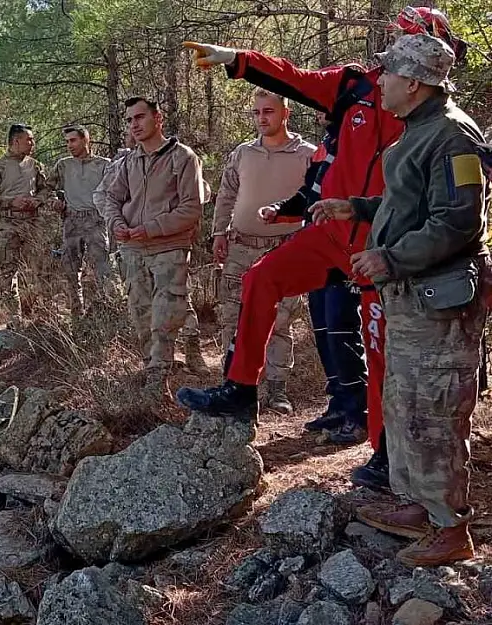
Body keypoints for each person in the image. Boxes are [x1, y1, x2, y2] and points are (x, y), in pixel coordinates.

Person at [176, 6, 466, 491]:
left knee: (381, 355)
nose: (392, 51)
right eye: (394, 41)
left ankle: (385, 454)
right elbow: (297, 79)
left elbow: (451, 195)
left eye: (406, 40)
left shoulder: (431, 112)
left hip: (385, 245)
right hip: (335, 232)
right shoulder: (356, 83)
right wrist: (238, 59)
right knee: (259, 280)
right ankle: (241, 388)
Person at [312, 33, 486, 567]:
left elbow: (457, 222)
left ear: (413, 83)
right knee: (406, 402)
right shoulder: (420, 131)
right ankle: (419, 504)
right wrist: (358, 208)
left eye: (387, 74)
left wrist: (390, 259)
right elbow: (409, 201)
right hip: (413, 298)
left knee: (434, 408)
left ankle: (450, 527)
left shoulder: (454, 137)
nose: (379, 81)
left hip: (441, 301)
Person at [212, 88, 315, 415]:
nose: (261, 119)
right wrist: (218, 233)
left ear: (285, 113)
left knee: (280, 321)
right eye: (256, 113)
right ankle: (235, 386)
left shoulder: (307, 155)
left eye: (268, 112)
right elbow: (226, 195)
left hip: (285, 250)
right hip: (241, 247)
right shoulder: (243, 154)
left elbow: (317, 201)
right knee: (233, 318)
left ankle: (277, 389)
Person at [97, 97, 205, 399]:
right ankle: (151, 369)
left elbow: (191, 209)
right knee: (140, 311)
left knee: (165, 313)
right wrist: (117, 223)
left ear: (158, 118)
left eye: (140, 117)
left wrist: (151, 228)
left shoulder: (183, 157)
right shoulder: (130, 161)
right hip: (133, 248)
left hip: (169, 246)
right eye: (130, 120)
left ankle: (159, 376)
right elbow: (112, 198)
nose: (135, 125)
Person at [0, 123, 48, 320]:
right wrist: (10, 202)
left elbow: (45, 189)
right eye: (29, 139)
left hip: (32, 225)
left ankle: (33, 315)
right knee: (8, 272)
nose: (32, 143)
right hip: (8, 225)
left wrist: (37, 201)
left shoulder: (35, 165)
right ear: (16, 141)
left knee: (34, 270)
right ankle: (14, 317)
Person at [46, 125, 113, 316]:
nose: (69, 145)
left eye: (73, 140)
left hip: (96, 220)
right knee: (71, 268)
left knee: (102, 268)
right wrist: (55, 201)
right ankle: (77, 311)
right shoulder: (63, 165)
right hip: (71, 220)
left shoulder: (104, 164)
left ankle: (106, 311)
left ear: (85, 140)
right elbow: (46, 188)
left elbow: (116, 192)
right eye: (67, 142)